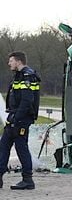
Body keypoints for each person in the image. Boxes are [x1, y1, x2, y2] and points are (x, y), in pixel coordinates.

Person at [2, 51, 40, 190]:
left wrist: (17, 118)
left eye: (11, 61)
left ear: (18, 61)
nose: (9, 63)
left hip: (21, 119)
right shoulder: (19, 75)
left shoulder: (27, 76)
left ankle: (27, 180)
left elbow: (26, 101)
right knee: (3, 147)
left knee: (21, 148)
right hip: (14, 117)